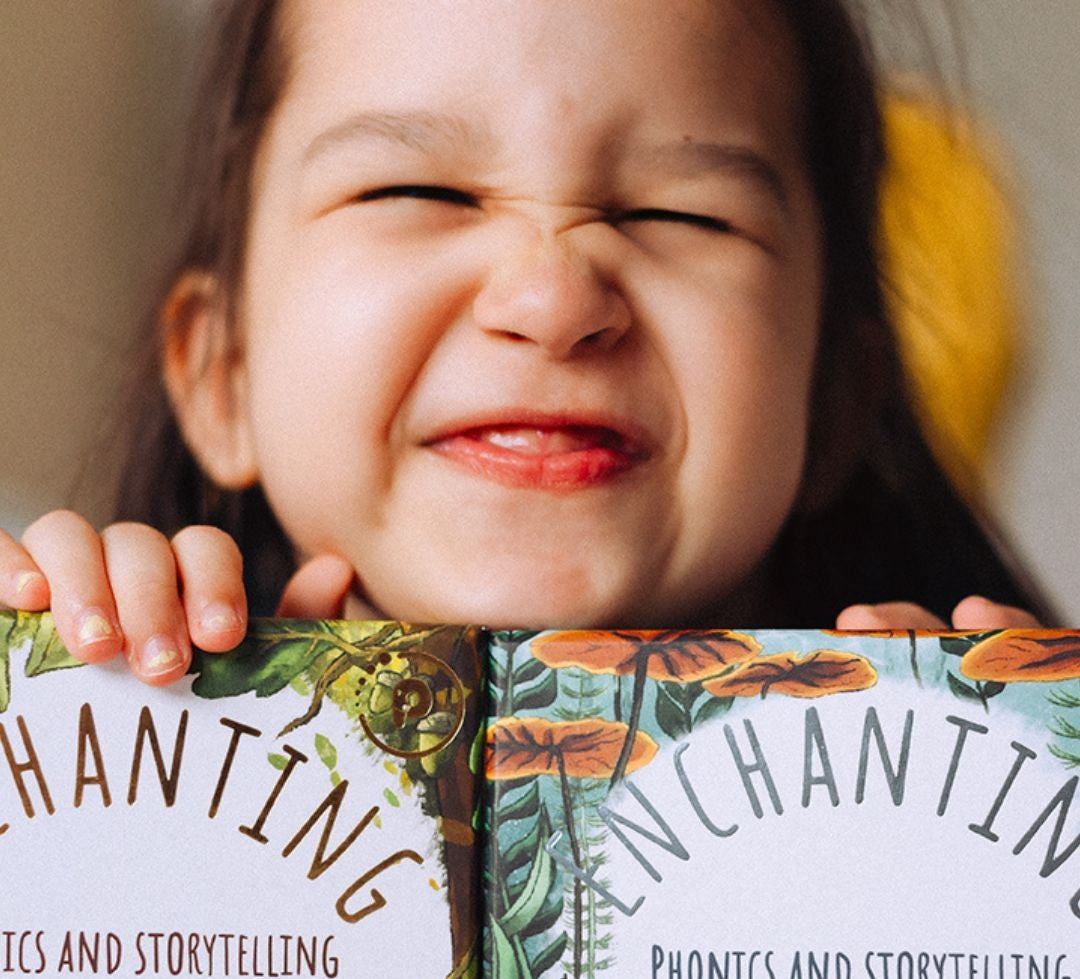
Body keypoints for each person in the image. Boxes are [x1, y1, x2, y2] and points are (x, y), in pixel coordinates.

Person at [0, 0, 1045, 685]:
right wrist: (83, 740)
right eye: (418, 191)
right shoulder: (108, 736)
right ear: (221, 374)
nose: (552, 297)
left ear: (830, 406)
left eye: (681, 215)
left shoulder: (984, 815)